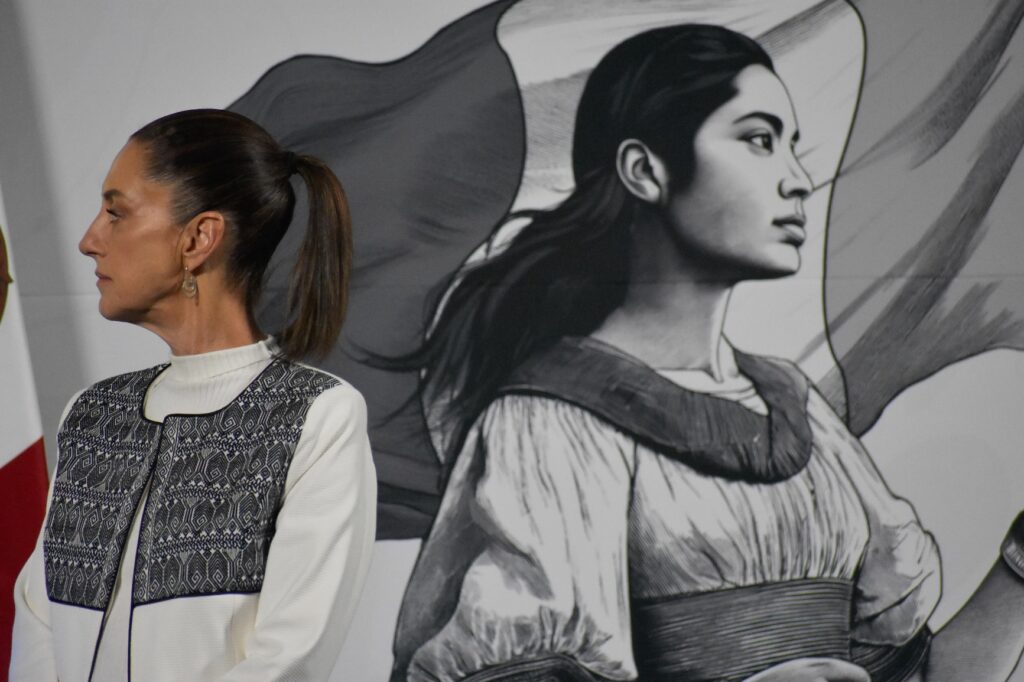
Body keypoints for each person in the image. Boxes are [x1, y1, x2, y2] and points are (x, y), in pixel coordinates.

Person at [388, 25, 1024, 682]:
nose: (799, 180)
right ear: (645, 171)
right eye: (759, 140)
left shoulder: (798, 408)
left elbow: (919, 675)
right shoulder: (552, 422)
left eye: (792, 147)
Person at [10, 109, 377, 681]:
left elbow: (289, 659)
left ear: (198, 238)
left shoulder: (315, 416)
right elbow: (39, 621)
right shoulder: (93, 415)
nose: (89, 240)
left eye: (116, 213)